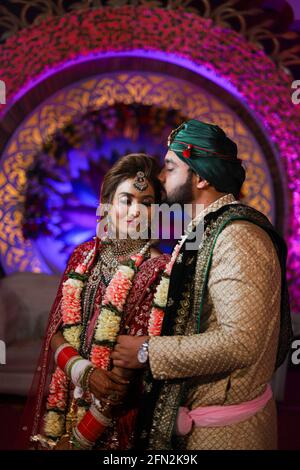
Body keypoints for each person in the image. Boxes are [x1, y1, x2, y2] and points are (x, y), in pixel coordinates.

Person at [112, 120, 293, 450]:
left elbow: (241, 342)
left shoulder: (236, 237)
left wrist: (146, 351)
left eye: (170, 167)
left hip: (225, 435)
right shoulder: (206, 229)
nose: (162, 179)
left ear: (201, 176)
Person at [19, 153, 169, 450]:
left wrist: (78, 442)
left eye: (147, 203)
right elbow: (55, 330)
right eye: (126, 200)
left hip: (119, 420)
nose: (136, 210)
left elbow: (122, 377)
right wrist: (81, 371)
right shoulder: (82, 256)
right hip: (67, 401)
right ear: (107, 205)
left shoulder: (158, 270)